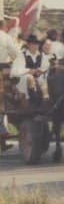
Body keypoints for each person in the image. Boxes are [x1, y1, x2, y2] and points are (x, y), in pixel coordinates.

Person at [10, 34, 50, 104]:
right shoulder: (22, 55)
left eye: (36, 44)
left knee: (43, 78)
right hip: (23, 80)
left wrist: (40, 71)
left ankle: (45, 98)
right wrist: (28, 71)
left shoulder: (42, 55)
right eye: (32, 44)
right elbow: (13, 72)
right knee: (30, 77)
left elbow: (46, 67)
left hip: (38, 79)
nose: (34, 46)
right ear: (28, 45)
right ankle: (33, 99)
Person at [0, 19, 21, 150]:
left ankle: (2, 142)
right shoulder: (6, 37)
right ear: (4, 27)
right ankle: (2, 129)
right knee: (3, 102)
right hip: (2, 71)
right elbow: (16, 53)